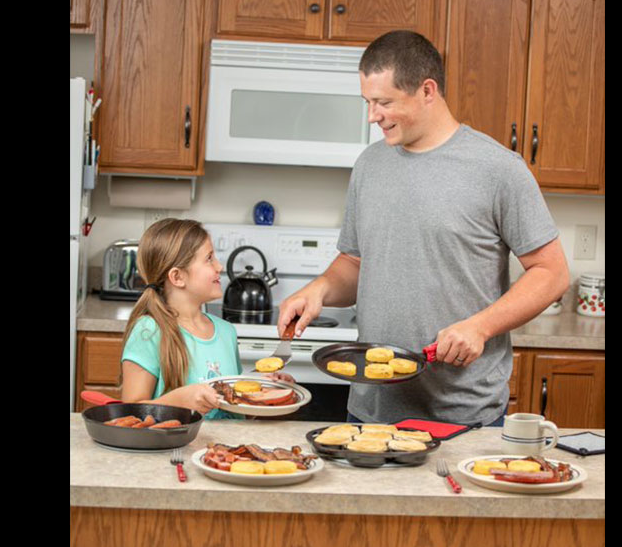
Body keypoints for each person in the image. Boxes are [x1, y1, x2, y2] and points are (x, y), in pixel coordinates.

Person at [276, 30, 570, 427]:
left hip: (463, 413)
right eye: (367, 102)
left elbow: (552, 273)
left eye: (384, 102)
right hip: (370, 410)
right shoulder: (369, 165)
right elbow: (355, 262)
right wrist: (320, 289)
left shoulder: (498, 169)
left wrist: (480, 327)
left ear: (427, 90)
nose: (372, 116)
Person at [120, 217, 295, 419]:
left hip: (228, 450)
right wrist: (179, 401)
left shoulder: (226, 332)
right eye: (209, 258)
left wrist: (267, 391)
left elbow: (237, 410)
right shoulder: (149, 332)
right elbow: (130, 415)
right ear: (177, 277)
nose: (219, 267)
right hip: (177, 451)